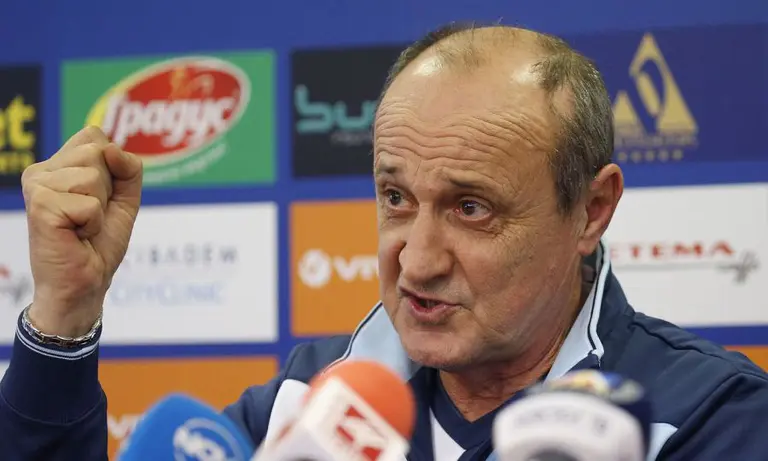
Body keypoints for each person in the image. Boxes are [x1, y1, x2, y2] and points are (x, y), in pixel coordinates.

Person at [1, 22, 767, 461]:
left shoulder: (714, 419)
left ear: (591, 210)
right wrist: (66, 312)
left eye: (472, 208)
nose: (418, 260)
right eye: (396, 198)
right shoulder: (305, 402)